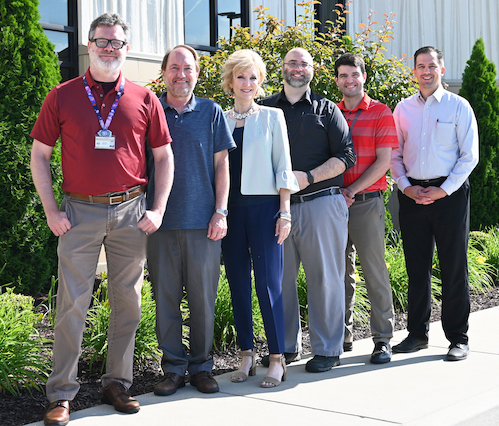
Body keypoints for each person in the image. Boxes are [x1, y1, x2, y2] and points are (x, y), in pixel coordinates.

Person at [30, 13, 174, 426]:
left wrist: (157, 208)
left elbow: (163, 157)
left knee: (127, 302)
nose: (109, 48)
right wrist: (51, 209)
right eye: (102, 41)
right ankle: (62, 394)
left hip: (132, 212)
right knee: (72, 304)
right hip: (79, 212)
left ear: (126, 49)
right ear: (89, 45)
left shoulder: (145, 99)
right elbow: (40, 154)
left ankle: (117, 383)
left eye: (116, 43)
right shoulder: (63, 95)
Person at [260, 47, 356, 372]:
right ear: (282, 68)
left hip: (321, 203)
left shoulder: (327, 110)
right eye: (292, 63)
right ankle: (285, 347)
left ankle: (328, 349)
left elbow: (346, 156)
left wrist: (309, 177)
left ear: (312, 70)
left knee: (326, 278)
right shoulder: (265, 109)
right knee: (280, 279)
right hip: (276, 210)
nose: (298, 68)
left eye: (304, 63)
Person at [147, 45, 235, 396]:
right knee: (165, 299)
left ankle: (201, 366)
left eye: (188, 68)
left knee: (203, 300)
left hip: (204, 223)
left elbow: (222, 166)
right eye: (174, 68)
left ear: (197, 73)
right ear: (164, 72)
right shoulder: (150, 108)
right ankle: (172, 369)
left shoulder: (212, 112)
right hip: (160, 224)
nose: (181, 74)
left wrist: (221, 210)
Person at [391, 46, 479, 361]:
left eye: (431, 66)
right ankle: (417, 335)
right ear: (413, 71)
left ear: (441, 70)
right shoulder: (402, 109)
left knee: (453, 266)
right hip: (412, 196)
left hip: (450, 196)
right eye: (420, 66)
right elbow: (395, 154)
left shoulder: (459, 106)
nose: (426, 71)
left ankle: (458, 337)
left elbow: (470, 156)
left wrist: (443, 191)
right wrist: (406, 187)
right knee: (416, 268)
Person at [220, 50, 299, 387]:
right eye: (241, 77)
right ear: (230, 81)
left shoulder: (272, 117)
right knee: (238, 284)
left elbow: (283, 165)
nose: (248, 84)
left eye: (253, 77)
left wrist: (285, 212)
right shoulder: (219, 118)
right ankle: (246, 355)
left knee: (268, 285)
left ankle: (277, 358)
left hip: (266, 210)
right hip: (229, 213)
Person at [334, 53, 397, 364]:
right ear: (336, 80)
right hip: (333, 205)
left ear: (364, 76)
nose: (349, 80)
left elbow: (384, 163)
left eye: (354, 74)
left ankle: (383, 338)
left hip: (365, 203)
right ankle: (341, 336)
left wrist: (351, 190)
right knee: (339, 273)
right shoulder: (330, 113)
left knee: (374, 271)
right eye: (343, 75)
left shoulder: (381, 113)